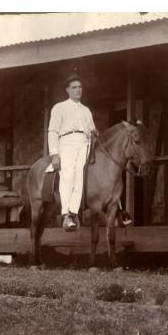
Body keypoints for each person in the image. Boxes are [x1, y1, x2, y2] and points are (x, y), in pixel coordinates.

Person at [47, 74, 133, 231]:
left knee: (105, 166)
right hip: (66, 143)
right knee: (70, 173)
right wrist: (55, 154)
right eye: (74, 87)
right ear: (67, 90)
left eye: (80, 87)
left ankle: (119, 209)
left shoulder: (86, 110)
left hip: (85, 143)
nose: (78, 90)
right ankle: (68, 214)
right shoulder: (59, 108)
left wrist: (94, 132)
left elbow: (91, 128)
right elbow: (52, 131)